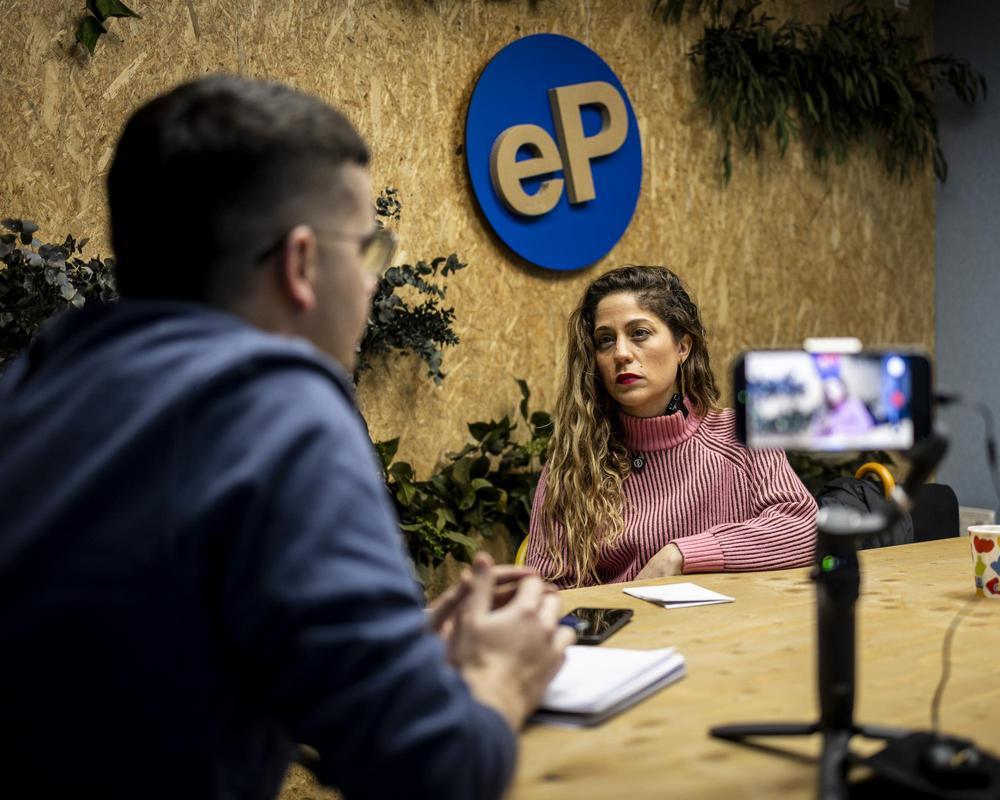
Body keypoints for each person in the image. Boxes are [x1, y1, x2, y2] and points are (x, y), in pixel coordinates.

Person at [0, 75, 573, 800]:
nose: (371, 285)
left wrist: (388, 650)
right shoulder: (274, 400)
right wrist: (500, 675)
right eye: (368, 253)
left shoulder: (36, 384)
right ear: (301, 263)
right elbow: (433, 775)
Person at [524, 266, 818, 587]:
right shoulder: (575, 461)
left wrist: (681, 555)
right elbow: (545, 584)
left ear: (682, 347)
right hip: (624, 632)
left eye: (639, 333)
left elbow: (803, 528)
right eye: (605, 340)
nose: (621, 353)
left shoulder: (740, 435)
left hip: (730, 631)